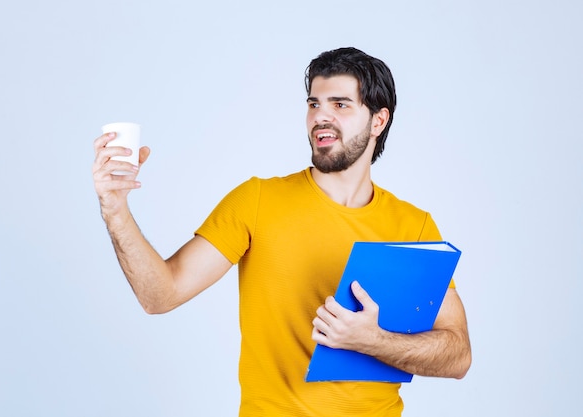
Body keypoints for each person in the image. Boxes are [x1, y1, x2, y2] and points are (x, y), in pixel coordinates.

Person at [92, 47, 471, 417]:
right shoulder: (257, 201)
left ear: (378, 121)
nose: (321, 117)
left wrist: (374, 341)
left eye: (340, 105)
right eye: (313, 104)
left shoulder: (414, 225)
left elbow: (457, 356)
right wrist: (115, 208)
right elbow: (160, 295)